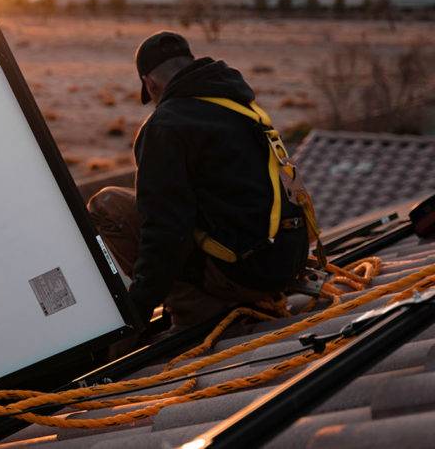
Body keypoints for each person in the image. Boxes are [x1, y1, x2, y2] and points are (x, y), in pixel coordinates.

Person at [87, 31, 309, 329]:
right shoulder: (239, 104)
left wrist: (137, 310)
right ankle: (233, 293)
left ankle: (195, 308)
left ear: (149, 84)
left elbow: (165, 231)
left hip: (245, 273)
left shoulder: (165, 126)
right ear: (191, 64)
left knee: (107, 204)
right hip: (286, 261)